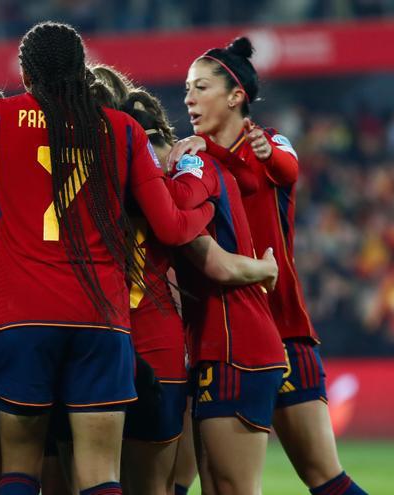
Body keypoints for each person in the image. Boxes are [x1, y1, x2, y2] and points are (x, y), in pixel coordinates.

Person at [0, 22, 214, 495]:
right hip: (101, 318)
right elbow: (170, 225)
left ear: (26, 75)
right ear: (82, 70)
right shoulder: (123, 128)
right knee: (98, 472)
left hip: (23, 318)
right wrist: (204, 200)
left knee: (21, 470)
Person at [168, 37, 367, 495]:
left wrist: (221, 152)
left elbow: (285, 168)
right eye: (186, 89)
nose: (189, 99)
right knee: (205, 483)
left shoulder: (268, 144)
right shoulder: (190, 158)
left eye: (200, 88)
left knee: (324, 477)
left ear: (236, 96)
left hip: (280, 328)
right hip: (220, 332)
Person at [119, 88, 278, 495]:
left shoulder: (190, 169)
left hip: (233, 343)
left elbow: (216, 263)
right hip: (207, 343)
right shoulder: (195, 164)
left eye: (201, 87)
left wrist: (264, 268)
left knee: (229, 486)